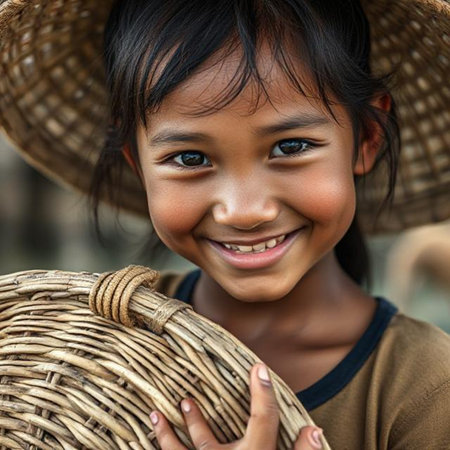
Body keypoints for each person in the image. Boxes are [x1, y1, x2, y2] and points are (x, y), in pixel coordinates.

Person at [0, 0, 449, 449]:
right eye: (190, 159)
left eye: (290, 146)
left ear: (367, 137)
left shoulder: (425, 390)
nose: (243, 211)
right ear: (137, 163)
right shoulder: (95, 341)